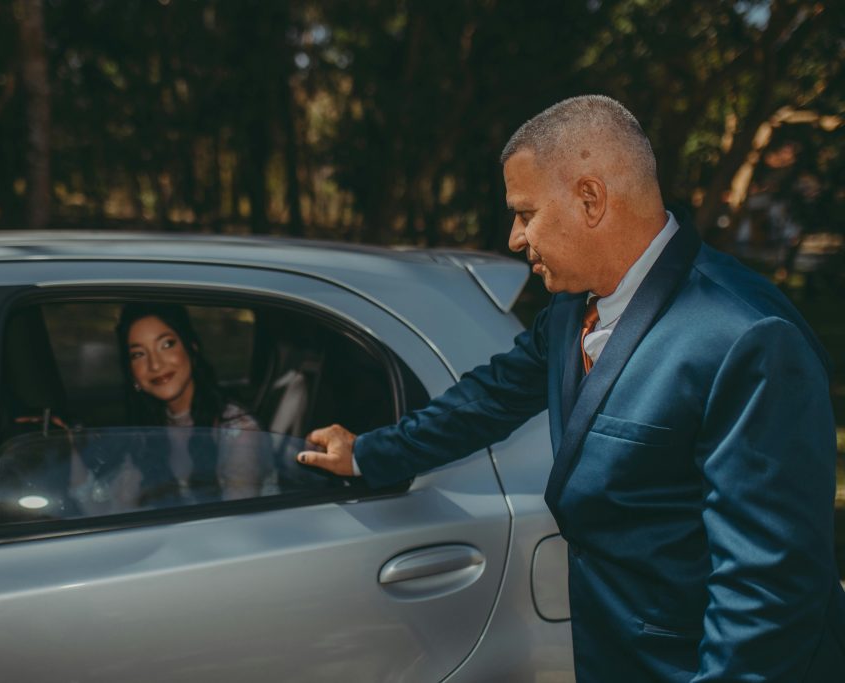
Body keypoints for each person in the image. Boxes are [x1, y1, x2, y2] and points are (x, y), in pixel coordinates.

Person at [298, 95, 845, 682]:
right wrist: (368, 452)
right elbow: (487, 400)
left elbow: (768, 591)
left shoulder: (747, 336)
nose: (514, 237)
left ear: (590, 199)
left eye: (525, 213)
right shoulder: (568, 313)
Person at [70, 303, 265, 514]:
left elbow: (235, 525)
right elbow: (106, 512)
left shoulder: (238, 430)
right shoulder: (149, 433)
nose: (155, 364)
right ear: (133, 375)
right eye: (139, 354)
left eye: (166, 344)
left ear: (192, 348)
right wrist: (68, 449)